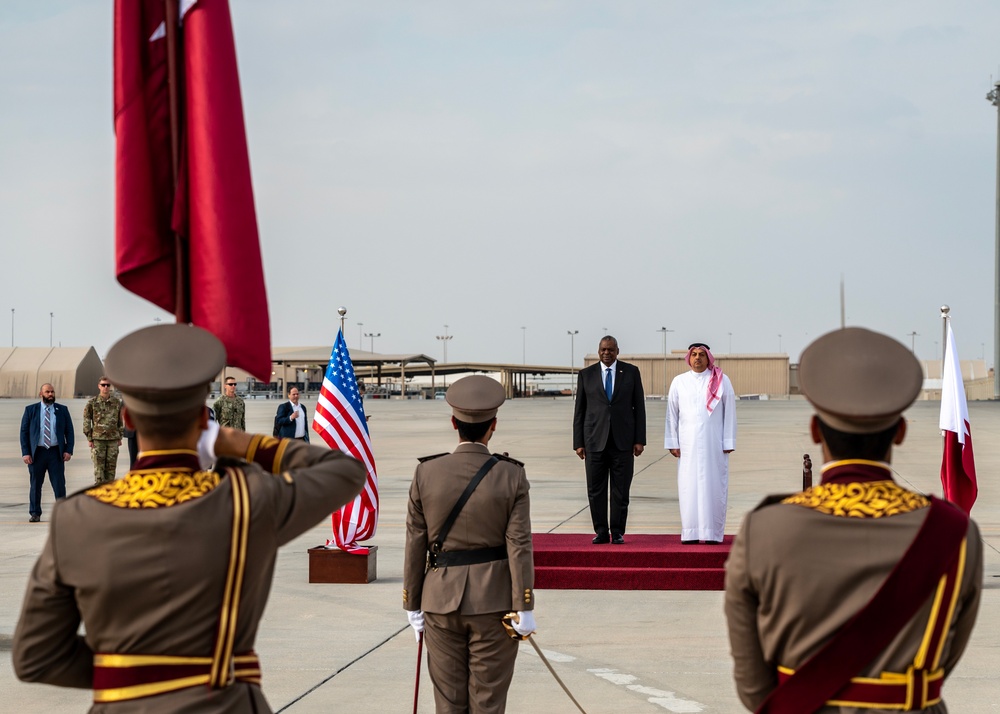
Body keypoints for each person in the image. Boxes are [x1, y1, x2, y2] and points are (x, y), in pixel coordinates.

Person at [12, 324, 367, 712]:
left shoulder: (77, 517)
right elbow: (344, 471)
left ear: (127, 420)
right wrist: (238, 441)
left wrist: (131, 674)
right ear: (204, 418)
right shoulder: (247, 499)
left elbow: (37, 655)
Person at [724, 327, 982, 713]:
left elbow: (752, 683)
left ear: (815, 431)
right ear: (900, 433)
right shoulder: (954, 533)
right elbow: (946, 656)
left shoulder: (765, 529)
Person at [403, 375, 535, 713]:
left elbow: (415, 542)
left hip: (438, 601)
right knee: (487, 701)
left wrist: (412, 603)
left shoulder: (426, 473)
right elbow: (518, 544)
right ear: (493, 426)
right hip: (494, 602)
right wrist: (525, 604)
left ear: (453, 423)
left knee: (448, 703)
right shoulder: (512, 475)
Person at [572, 335, 646, 544]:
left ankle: (618, 531)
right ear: (598, 351)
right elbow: (580, 410)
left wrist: (639, 439)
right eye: (603, 350)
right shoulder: (586, 375)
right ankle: (601, 531)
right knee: (595, 490)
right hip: (594, 441)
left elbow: (639, 407)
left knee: (620, 489)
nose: (607, 353)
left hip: (623, 442)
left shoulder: (631, 372)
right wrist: (578, 442)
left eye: (611, 350)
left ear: (617, 351)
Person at [664, 343, 736, 544]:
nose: (697, 358)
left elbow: (730, 412)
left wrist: (728, 440)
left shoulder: (722, 381)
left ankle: (712, 533)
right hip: (688, 446)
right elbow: (672, 415)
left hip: (715, 444)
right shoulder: (679, 382)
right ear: (689, 358)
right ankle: (691, 532)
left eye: (702, 355)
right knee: (688, 486)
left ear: (709, 358)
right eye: (694, 354)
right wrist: (672, 441)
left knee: (714, 486)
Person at [19, 383, 74, 523]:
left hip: (56, 453)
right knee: (36, 484)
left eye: (52, 392)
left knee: (59, 484)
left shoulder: (62, 410)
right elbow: (24, 433)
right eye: (47, 392)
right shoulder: (31, 410)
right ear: (41, 394)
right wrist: (26, 452)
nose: (50, 394)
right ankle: (35, 513)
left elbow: (69, 431)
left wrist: (68, 450)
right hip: (37, 453)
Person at [83, 376, 124, 484]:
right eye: (103, 385)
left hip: (113, 440)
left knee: (111, 470)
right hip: (98, 440)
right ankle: (99, 495)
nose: (105, 387)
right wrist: (89, 438)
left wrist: (120, 436)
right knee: (99, 470)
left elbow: (120, 421)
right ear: (99, 386)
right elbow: (87, 420)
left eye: (108, 385)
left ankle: (110, 495)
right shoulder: (92, 403)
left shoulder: (116, 402)